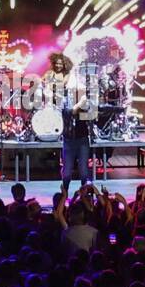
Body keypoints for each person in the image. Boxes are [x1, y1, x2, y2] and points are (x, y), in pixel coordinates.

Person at [59, 66, 93, 196]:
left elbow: (90, 113)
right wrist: (79, 105)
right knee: (67, 172)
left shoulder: (85, 100)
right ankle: (64, 195)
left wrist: (83, 103)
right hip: (68, 140)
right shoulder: (64, 100)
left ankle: (85, 197)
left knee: (84, 171)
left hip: (82, 139)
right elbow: (69, 112)